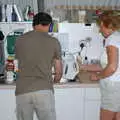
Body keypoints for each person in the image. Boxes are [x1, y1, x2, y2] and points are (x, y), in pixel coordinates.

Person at [15, 12, 63, 120]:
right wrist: (55, 80)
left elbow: (16, 64)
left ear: (33, 24)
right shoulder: (54, 42)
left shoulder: (20, 40)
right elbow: (59, 71)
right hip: (44, 90)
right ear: (49, 25)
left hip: (23, 90)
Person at [80, 11, 120, 120]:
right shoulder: (117, 37)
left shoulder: (111, 40)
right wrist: (83, 67)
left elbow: (111, 67)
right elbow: (106, 65)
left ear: (103, 24)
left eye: (100, 26)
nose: (99, 30)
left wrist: (97, 76)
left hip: (113, 87)